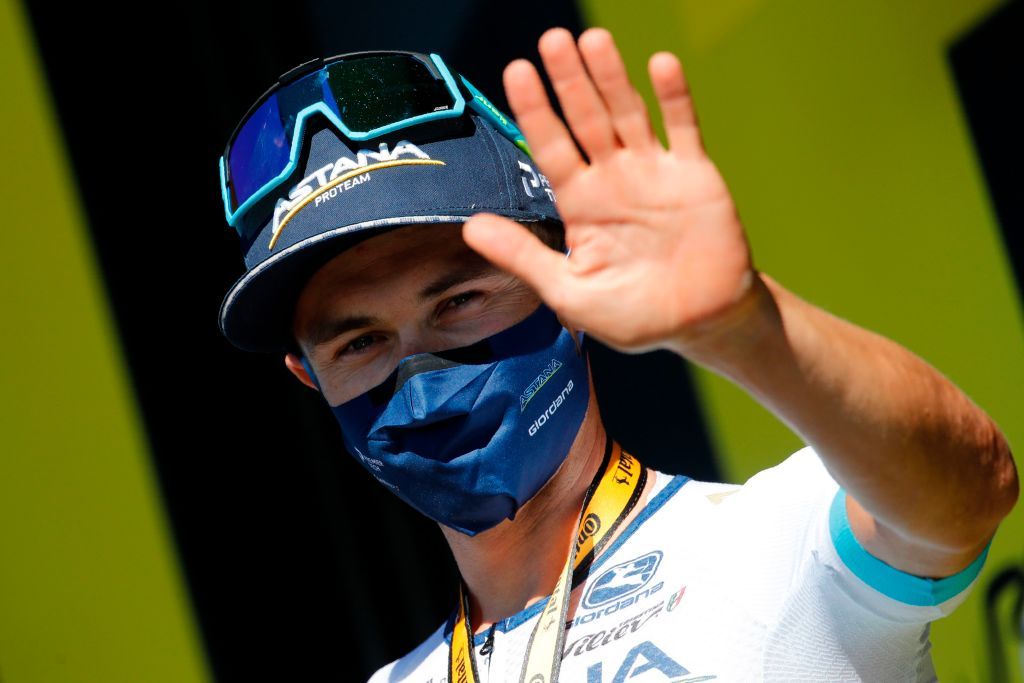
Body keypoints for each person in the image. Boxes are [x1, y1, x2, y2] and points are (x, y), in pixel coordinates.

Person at [215, 26, 1018, 682]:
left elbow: (967, 490)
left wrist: (747, 329)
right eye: (360, 342)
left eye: (458, 302)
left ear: (567, 285)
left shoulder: (772, 546)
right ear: (308, 376)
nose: (420, 376)